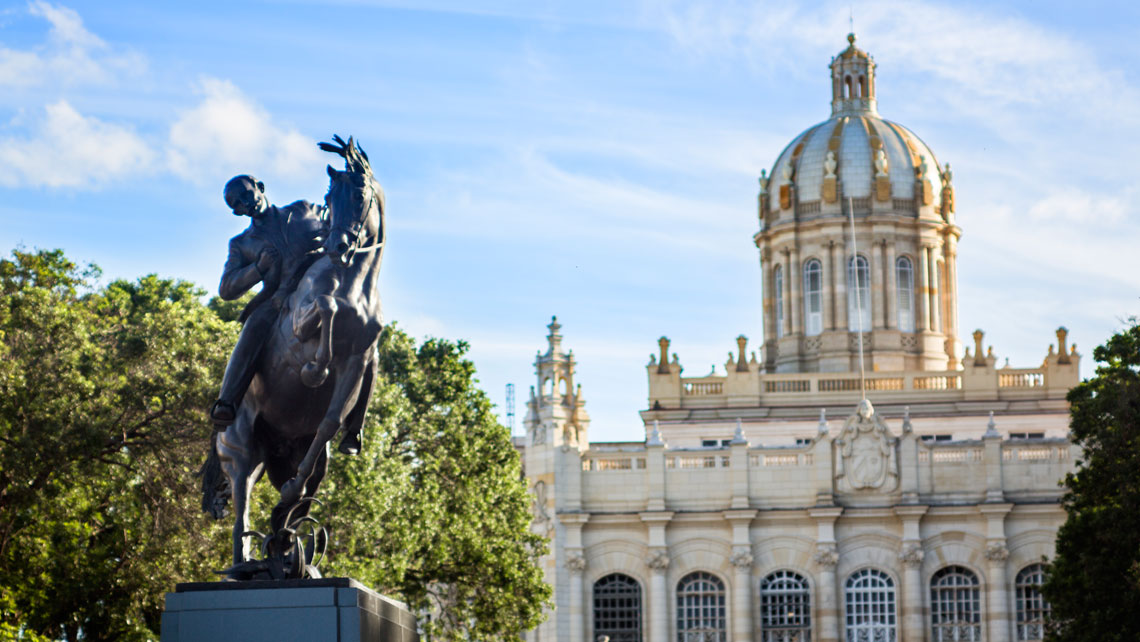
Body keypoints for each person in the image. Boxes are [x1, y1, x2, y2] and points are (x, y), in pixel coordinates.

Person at [209, 175, 326, 427]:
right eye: (237, 204)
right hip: (277, 301)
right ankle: (227, 401)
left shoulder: (304, 210)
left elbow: (339, 219)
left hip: (321, 289)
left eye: (246, 195)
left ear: (260, 188)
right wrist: (258, 269)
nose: (244, 204)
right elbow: (226, 289)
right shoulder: (241, 244)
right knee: (253, 327)